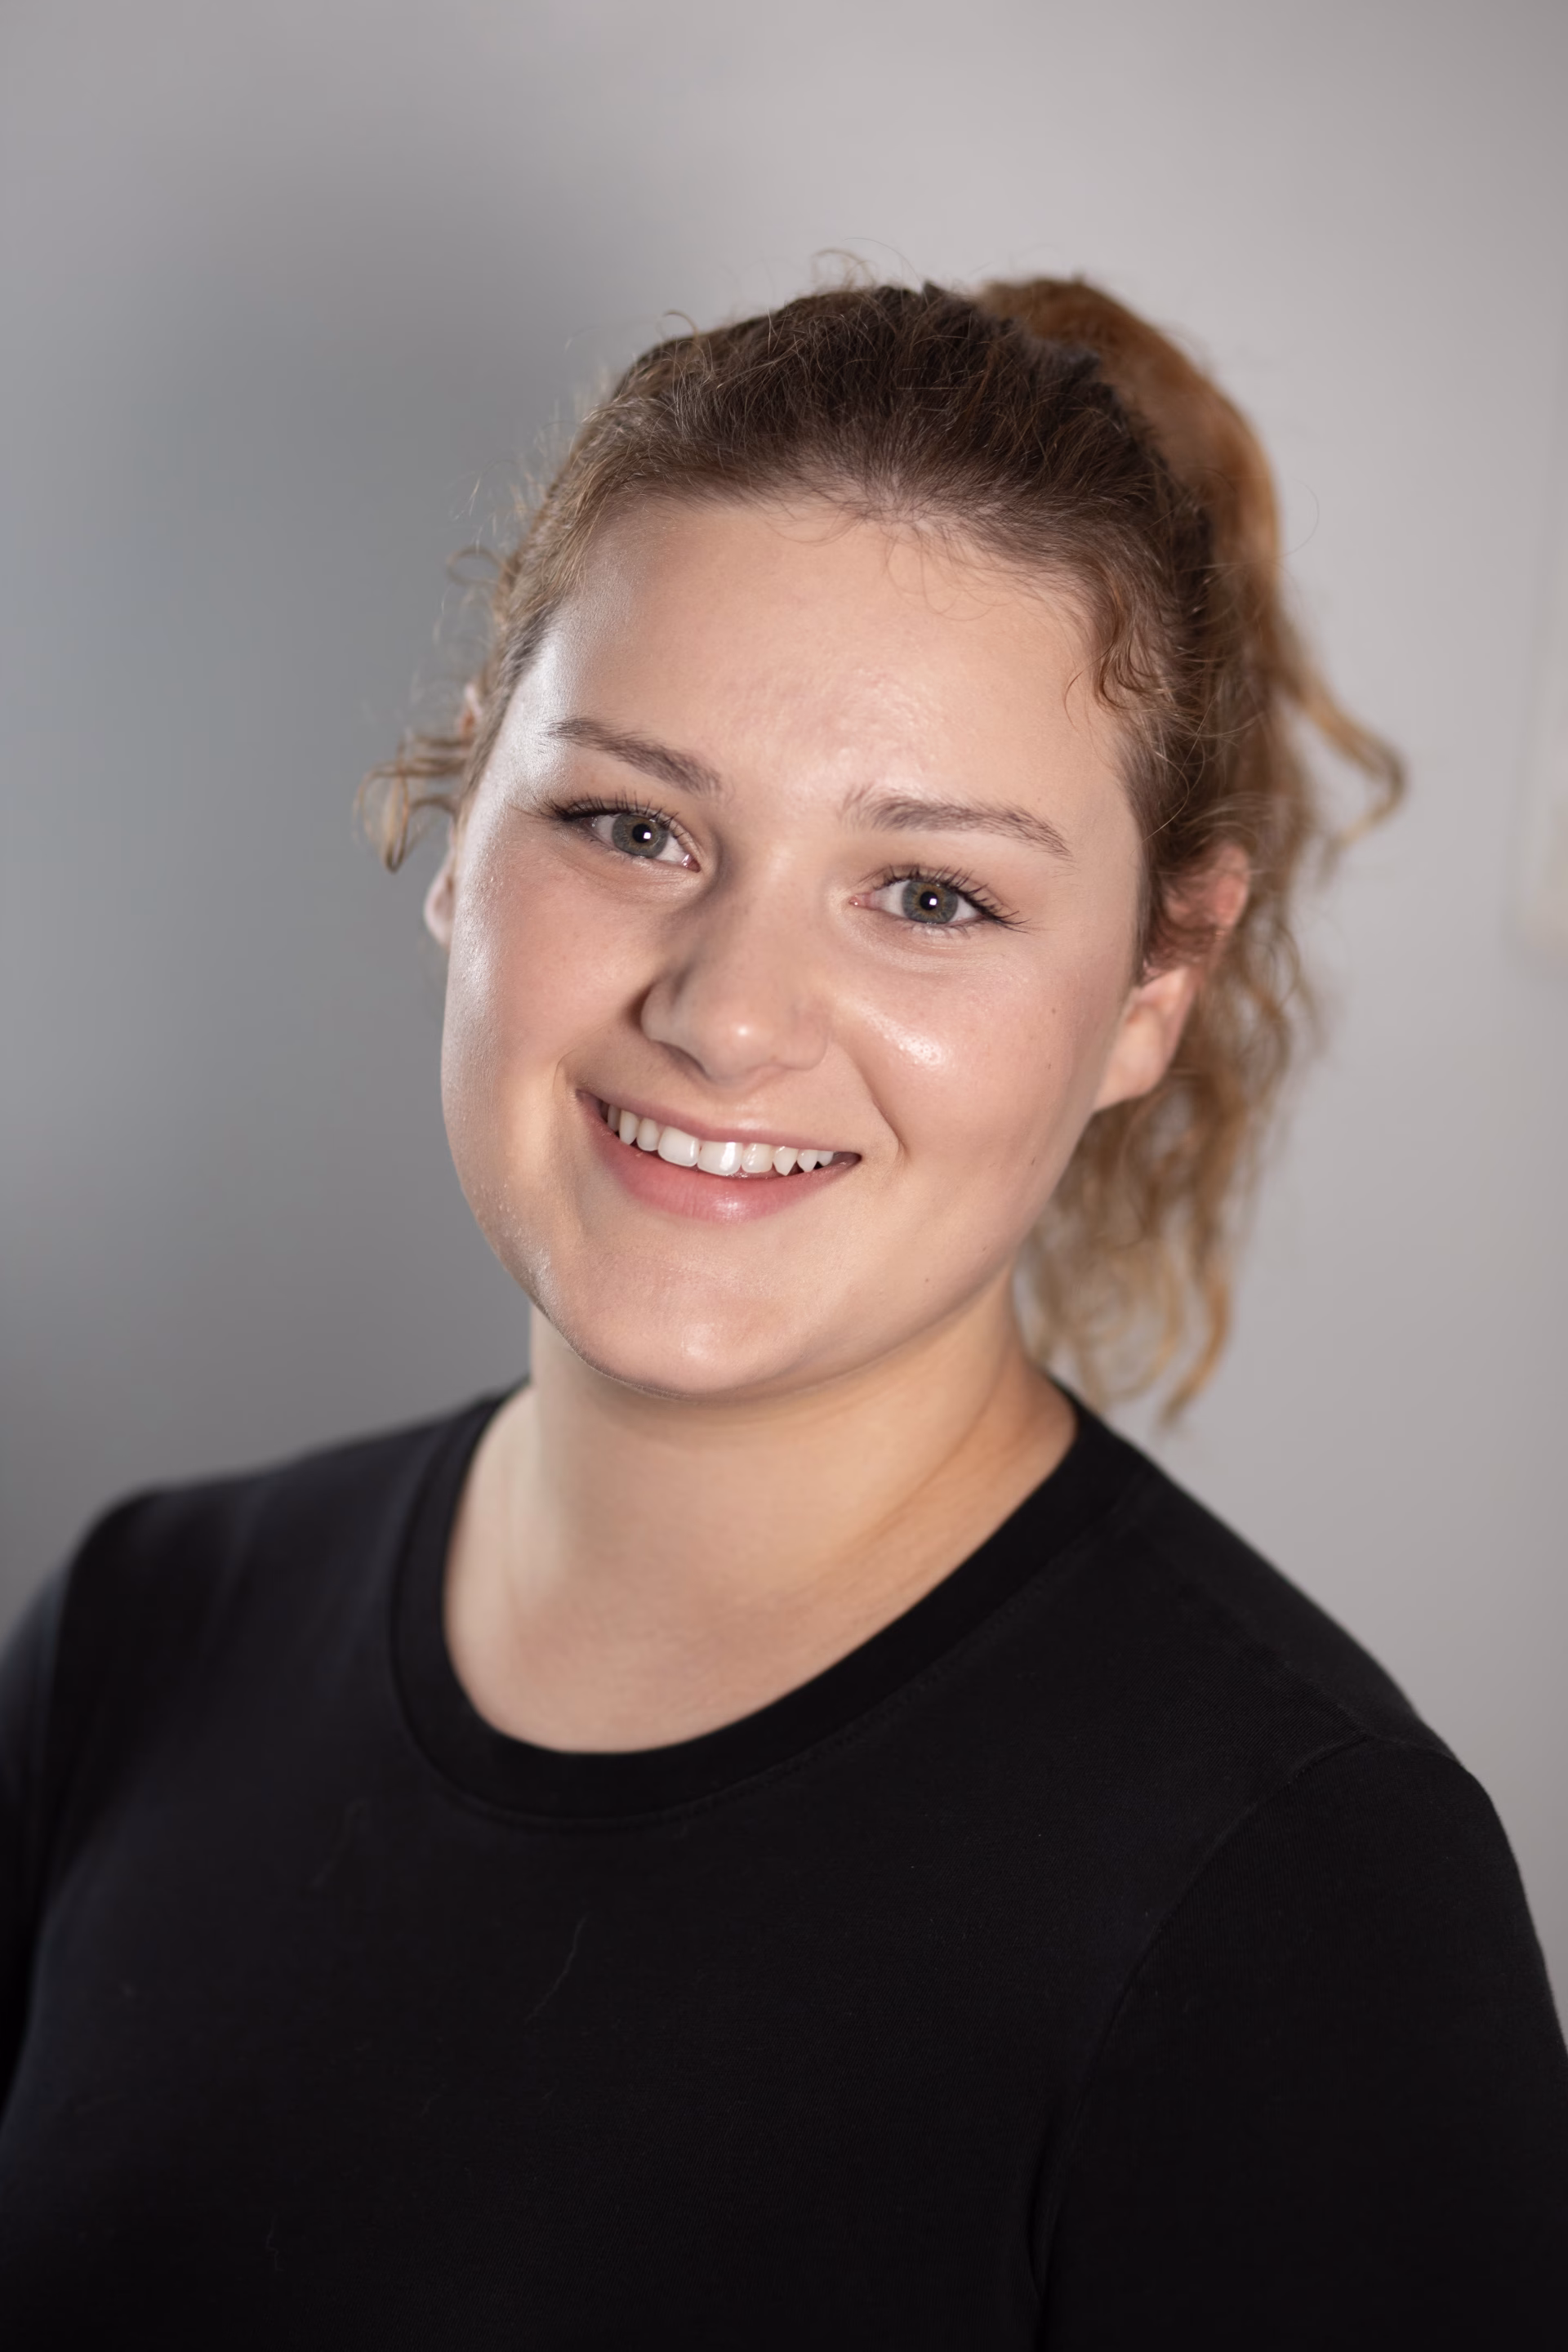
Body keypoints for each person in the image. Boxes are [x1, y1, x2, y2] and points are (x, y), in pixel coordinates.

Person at [1, 274, 1565, 2346]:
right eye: (632, 825)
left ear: (1154, 989)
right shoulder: (143, 1633)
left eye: (932, 895)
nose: (727, 1014)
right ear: (466, 832)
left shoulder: (1308, 1898)